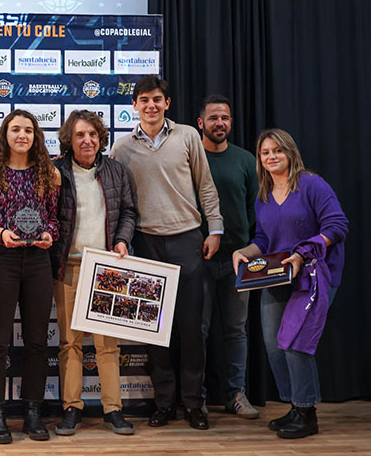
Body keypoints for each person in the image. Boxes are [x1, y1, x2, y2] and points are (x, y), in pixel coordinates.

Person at [110, 75, 223, 430]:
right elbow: (113, 194)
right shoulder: (122, 147)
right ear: (135, 106)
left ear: (167, 103)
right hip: (146, 244)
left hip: (188, 239)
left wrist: (215, 228)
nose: (151, 105)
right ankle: (163, 403)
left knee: (191, 329)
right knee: (155, 330)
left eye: (157, 99)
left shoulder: (188, 135)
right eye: (144, 100)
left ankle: (193, 404)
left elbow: (205, 185)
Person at [232, 129, 347, 439]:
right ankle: (296, 406)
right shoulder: (264, 195)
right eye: (265, 152)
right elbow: (264, 240)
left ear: (290, 153)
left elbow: (337, 225)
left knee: (296, 342)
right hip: (279, 275)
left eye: (277, 151)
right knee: (273, 342)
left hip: (314, 273)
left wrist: (302, 253)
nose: (271, 156)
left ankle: (307, 413)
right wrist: (244, 252)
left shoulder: (311, 184)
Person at [50, 110, 138, 436]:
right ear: (69, 140)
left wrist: (122, 240)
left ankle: (113, 410)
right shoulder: (55, 171)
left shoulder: (117, 171)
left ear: (100, 138)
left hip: (106, 267)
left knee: (107, 345)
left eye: (92, 134)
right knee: (70, 343)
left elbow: (128, 211)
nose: (87, 140)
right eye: (79, 135)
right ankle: (71, 408)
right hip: (69, 266)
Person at [0, 109, 60, 443]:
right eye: (15, 130)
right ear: (5, 135)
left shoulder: (49, 174)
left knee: (37, 342)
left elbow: (54, 218)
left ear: (35, 135)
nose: (22, 135)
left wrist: (50, 234)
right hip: (3, 260)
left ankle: (33, 412)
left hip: (39, 260)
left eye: (28, 130)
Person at [197, 95, 259, 419]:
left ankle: (236, 394)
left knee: (237, 330)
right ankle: (199, 398)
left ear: (231, 122)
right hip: (201, 258)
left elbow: (253, 208)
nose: (219, 123)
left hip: (240, 261)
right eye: (213, 118)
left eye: (225, 118)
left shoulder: (247, 160)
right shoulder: (193, 157)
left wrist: (243, 244)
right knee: (200, 330)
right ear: (201, 123)